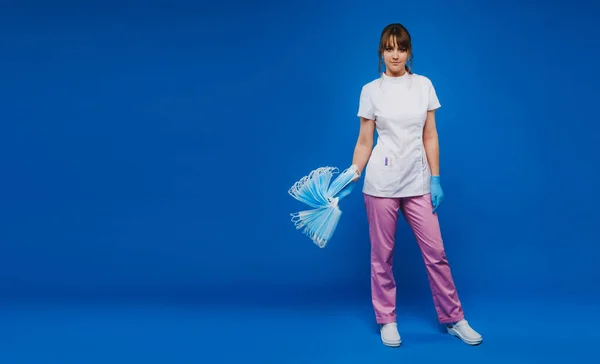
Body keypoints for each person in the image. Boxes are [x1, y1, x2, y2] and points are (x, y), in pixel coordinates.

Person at [335, 23, 483, 347]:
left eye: (401, 48)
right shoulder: (370, 90)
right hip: (381, 184)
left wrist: (435, 178)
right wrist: (353, 173)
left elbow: (430, 134)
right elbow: (364, 141)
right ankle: (386, 319)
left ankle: (454, 318)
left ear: (409, 52)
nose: (395, 54)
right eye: (389, 48)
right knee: (382, 255)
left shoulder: (424, 86)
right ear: (381, 52)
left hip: (417, 181)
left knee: (436, 252)